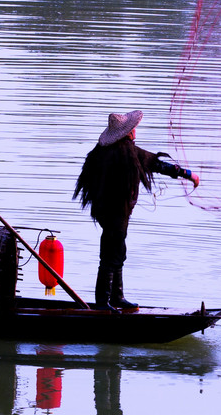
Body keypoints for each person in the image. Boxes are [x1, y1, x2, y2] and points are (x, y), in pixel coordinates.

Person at [72, 110, 198, 312]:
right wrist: (186, 174)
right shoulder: (126, 152)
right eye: (133, 129)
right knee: (111, 253)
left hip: (106, 210)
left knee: (117, 250)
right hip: (116, 211)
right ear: (128, 133)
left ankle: (116, 297)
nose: (135, 131)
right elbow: (157, 164)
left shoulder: (101, 151)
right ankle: (104, 303)